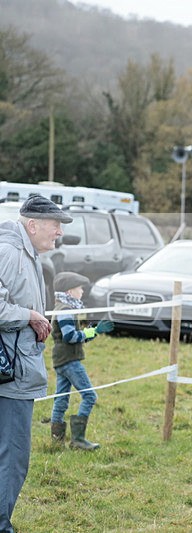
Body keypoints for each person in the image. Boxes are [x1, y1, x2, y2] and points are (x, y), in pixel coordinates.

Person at [0, 194, 72, 532]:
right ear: (32, 225)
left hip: (14, 368)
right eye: (55, 225)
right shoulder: (10, 252)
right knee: (13, 456)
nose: (59, 232)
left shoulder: (25, 253)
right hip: (10, 374)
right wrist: (29, 315)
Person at [49, 271, 113, 451]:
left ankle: (56, 441)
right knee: (90, 396)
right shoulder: (65, 310)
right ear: (70, 291)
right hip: (69, 361)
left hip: (61, 359)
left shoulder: (63, 307)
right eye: (79, 288)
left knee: (61, 399)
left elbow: (74, 336)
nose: (82, 292)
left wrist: (94, 332)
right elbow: (70, 336)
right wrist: (90, 332)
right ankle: (77, 440)